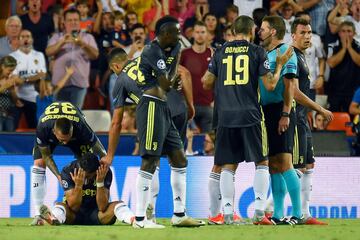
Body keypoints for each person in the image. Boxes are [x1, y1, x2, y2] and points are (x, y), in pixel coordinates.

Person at [203, 15, 291, 225]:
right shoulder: (257, 51)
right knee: (261, 161)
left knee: (227, 165)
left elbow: (206, 83)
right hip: (250, 114)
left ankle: (226, 213)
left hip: (224, 116)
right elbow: (270, 85)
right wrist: (278, 66)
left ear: (233, 30)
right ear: (251, 30)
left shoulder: (221, 51)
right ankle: (260, 211)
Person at [133, 15, 203, 228]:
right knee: (150, 160)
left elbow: (170, 83)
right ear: (164, 33)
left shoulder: (168, 51)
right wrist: (178, 57)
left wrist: (173, 76)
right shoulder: (152, 50)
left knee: (180, 159)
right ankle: (140, 219)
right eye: (175, 31)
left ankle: (179, 214)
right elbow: (165, 83)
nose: (180, 35)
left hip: (164, 108)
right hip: (152, 106)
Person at [30, 101, 107, 226]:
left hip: (77, 134)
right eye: (62, 140)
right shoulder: (43, 127)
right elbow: (46, 155)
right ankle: (38, 213)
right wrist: (58, 175)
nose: (65, 143)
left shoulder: (80, 127)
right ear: (54, 132)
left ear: (72, 130)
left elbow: (97, 145)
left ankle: (84, 207)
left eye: (67, 139)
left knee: (86, 164)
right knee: (39, 163)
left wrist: (105, 157)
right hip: (51, 132)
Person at [258, 15, 300, 225]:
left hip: (280, 112)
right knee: (274, 164)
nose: (259, 32)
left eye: (263, 29)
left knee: (284, 162)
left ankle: (299, 213)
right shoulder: (268, 53)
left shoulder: (285, 51)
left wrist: (285, 113)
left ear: (273, 31)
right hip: (267, 111)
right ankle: (278, 214)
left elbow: (290, 85)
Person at [291, 18, 333, 225]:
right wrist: (319, 108)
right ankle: (270, 209)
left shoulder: (302, 57)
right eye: (303, 33)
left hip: (301, 118)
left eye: (309, 33)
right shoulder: (291, 56)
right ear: (293, 35)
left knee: (308, 165)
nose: (307, 36)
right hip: (294, 119)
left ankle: (304, 214)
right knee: (297, 167)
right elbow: (295, 92)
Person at [39, 152, 134, 226]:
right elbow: (73, 207)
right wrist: (78, 186)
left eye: (89, 177)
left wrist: (100, 182)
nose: (86, 179)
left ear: (96, 171)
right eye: (84, 175)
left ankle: (133, 219)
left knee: (118, 205)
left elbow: (103, 207)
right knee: (60, 206)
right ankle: (54, 219)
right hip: (74, 215)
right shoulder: (68, 171)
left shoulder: (104, 172)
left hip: (98, 215)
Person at [46, 8, 99, 109]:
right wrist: (62, 42)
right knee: (59, 117)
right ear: (64, 22)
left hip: (79, 84)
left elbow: (95, 55)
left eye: (75, 20)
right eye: (70, 20)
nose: (73, 23)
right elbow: (49, 52)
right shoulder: (57, 37)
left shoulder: (88, 37)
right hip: (59, 84)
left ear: (80, 22)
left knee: (75, 116)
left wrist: (82, 43)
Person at [180, 21, 213, 133]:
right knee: (185, 141)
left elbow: (219, 79)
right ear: (192, 34)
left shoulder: (213, 54)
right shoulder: (184, 54)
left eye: (203, 32)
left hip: (208, 106)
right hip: (187, 106)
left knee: (208, 143)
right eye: (197, 32)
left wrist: (215, 101)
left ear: (207, 34)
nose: (200, 35)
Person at [10, 29, 47, 129]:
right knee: (12, 129)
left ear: (32, 39)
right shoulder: (12, 57)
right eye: (22, 37)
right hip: (17, 98)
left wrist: (24, 80)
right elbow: (14, 79)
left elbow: (42, 75)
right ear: (18, 40)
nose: (26, 39)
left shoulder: (39, 55)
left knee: (35, 129)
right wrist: (34, 78)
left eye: (28, 36)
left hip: (34, 97)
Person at [327, 21, 360, 112]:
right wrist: (344, 49)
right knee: (334, 120)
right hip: (335, 90)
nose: (346, 34)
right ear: (339, 33)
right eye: (343, 31)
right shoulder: (332, 46)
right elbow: (331, 63)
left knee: (351, 121)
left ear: (354, 33)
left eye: (349, 31)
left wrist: (349, 48)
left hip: (354, 90)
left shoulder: (358, 46)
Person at [0, 56, 23, 132]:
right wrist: (5, 86)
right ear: (3, 66)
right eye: (9, 70)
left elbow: (15, 101)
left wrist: (12, 89)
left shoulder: (9, 80)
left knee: (10, 138)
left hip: (9, 115)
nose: (11, 73)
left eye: (12, 70)